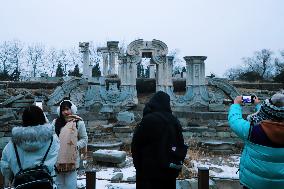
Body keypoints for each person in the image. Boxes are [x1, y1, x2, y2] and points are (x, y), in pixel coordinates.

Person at [131, 91, 187, 189]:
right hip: (169, 171)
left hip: (148, 172)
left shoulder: (148, 120)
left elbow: (136, 146)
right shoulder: (174, 120)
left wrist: (139, 166)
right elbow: (180, 144)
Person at [228, 93, 284, 189]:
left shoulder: (252, 130)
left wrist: (236, 104)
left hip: (253, 184)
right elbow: (272, 116)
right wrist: (258, 105)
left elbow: (235, 120)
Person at [0, 105, 60, 188]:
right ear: (42, 118)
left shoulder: (12, 144)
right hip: (45, 184)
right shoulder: (53, 140)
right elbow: (57, 159)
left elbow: (5, 167)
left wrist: (11, 177)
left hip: (22, 184)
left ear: (24, 120)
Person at [52, 100, 88, 189]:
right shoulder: (55, 122)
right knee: (58, 185)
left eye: (67, 109)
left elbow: (84, 139)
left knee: (70, 186)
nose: (65, 112)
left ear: (72, 109)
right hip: (57, 159)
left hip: (72, 159)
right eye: (63, 110)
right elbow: (52, 138)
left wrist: (75, 146)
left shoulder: (79, 123)